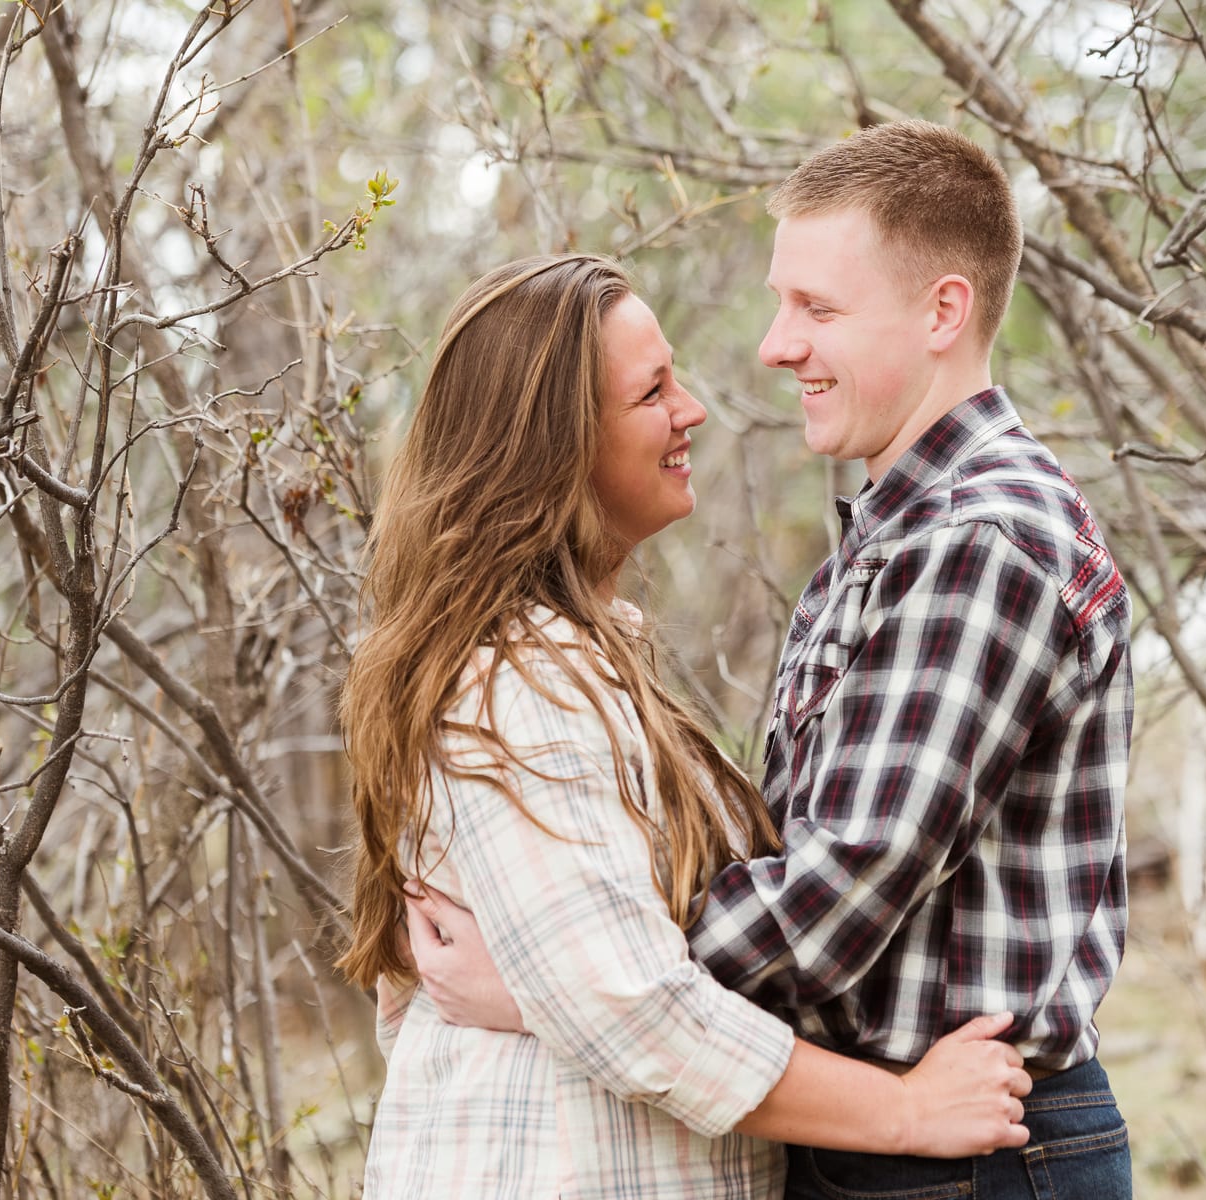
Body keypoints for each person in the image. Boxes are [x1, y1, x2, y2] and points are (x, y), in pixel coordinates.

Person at [410, 121, 1136, 1198]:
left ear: (942, 312)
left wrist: (564, 986)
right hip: (904, 1139)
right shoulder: (899, 533)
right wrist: (596, 984)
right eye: (779, 302)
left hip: (964, 1153)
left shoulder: (977, 543)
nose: (774, 345)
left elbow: (838, 889)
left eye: (817, 309)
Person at [337, 253, 1035, 1197]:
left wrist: (541, 993)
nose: (693, 408)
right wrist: (905, 1111)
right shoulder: (520, 680)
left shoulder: (586, 659)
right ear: (555, 447)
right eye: (652, 391)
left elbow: (606, 984)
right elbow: (625, 1003)